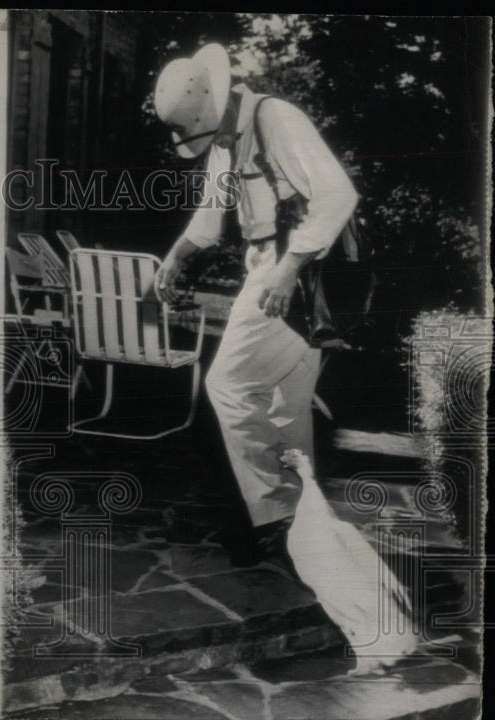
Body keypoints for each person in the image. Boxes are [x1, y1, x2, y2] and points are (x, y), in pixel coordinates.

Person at [152, 44, 357, 562]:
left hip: (298, 271)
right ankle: (306, 519)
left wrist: (288, 271)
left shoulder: (277, 119)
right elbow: (211, 209)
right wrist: (175, 259)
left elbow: (339, 195)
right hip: (273, 265)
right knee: (286, 406)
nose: (204, 144)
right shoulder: (227, 135)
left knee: (228, 385)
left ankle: (275, 511)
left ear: (217, 105)